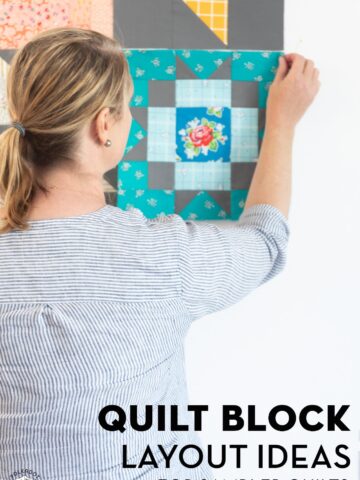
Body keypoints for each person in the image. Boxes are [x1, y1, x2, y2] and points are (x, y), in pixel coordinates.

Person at [0, 27, 320, 480]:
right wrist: (283, 122)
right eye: (128, 106)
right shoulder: (159, 257)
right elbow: (266, 241)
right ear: (104, 125)